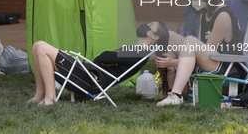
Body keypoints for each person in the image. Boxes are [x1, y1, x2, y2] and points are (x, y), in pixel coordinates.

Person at [27, 21, 169, 105]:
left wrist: (108, 58)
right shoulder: (135, 50)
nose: (146, 25)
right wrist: (108, 59)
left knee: (42, 48)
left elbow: (105, 57)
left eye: (150, 26)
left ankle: (50, 98)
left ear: (155, 36)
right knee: (37, 47)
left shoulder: (138, 52)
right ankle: (40, 94)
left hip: (91, 79)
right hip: (88, 74)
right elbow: (105, 59)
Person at [154, 0, 244, 106]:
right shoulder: (205, 13)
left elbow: (209, 52)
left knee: (190, 41)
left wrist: (173, 61)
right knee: (169, 36)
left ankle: (176, 96)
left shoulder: (223, 15)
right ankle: (168, 90)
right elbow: (202, 48)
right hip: (212, 61)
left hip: (227, 67)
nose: (192, 2)